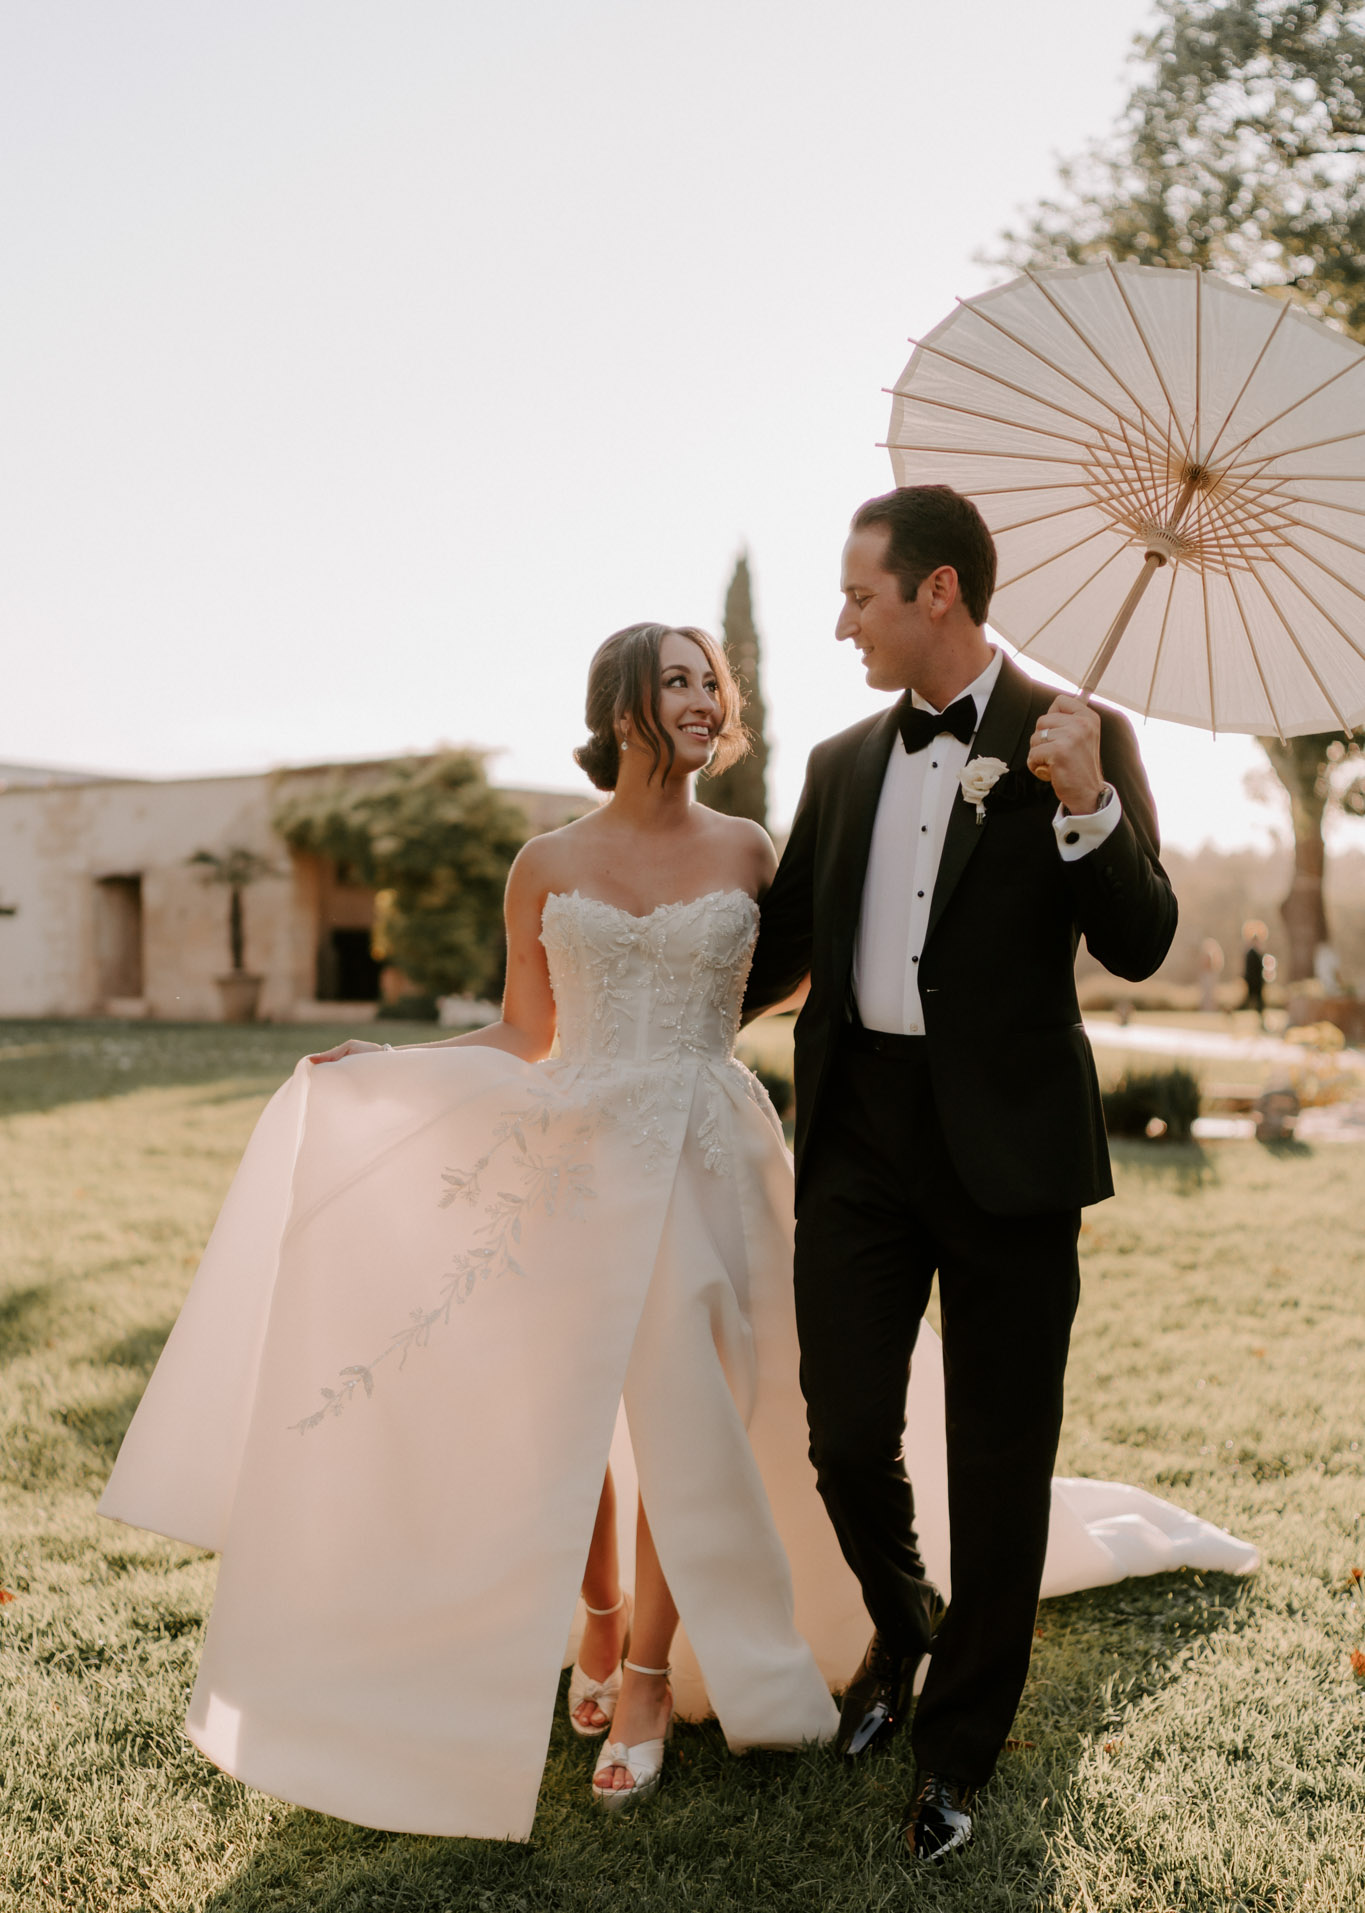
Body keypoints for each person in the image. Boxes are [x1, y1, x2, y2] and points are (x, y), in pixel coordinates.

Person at [98, 623, 849, 1837]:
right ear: (621, 709)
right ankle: (596, 1616)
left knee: (692, 1405)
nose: (707, 700)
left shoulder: (753, 849)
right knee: (568, 1395)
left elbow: (795, 980)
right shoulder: (546, 859)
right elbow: (522, 1028)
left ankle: (650, 1675)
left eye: (715, 683)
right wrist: (389, 1069)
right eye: (679, 682)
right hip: (578, 1152)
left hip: (713, 1148)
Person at [744, 485, 1181, 1863]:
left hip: (1010, 1154)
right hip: (861, 1140)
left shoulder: (1080, 738)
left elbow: (1145, 942)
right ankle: (904, 1622)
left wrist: (1087, 799)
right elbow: (769, 956)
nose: (841, 622)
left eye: (859, 596)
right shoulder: (837, 764)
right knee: (840, 1429)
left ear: (936, 591)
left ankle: (956, 1753)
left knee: (1003, 1462)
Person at [1242, 920, 1268, 1018]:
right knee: (1251, 1001)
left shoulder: (1257, 952)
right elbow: (1251, 969)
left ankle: (1261, 1018)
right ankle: (1230, 1011)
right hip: (1254, 980)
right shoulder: (1251, 953)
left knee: (1255, 1001)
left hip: (1257, 980)